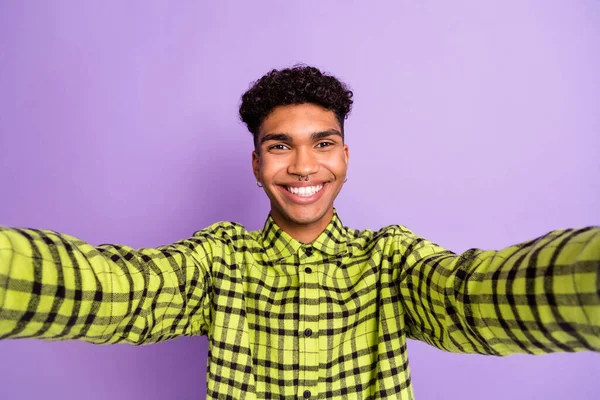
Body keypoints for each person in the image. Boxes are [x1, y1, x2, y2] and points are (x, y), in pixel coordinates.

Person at [0, 65, 598, 400]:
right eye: (279, 146)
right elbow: (118, 291)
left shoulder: (388, 258)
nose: (304, 166)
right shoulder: (220, 259)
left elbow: (477, 296)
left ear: (345, 155)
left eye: (323, 144)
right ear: (257, 163)